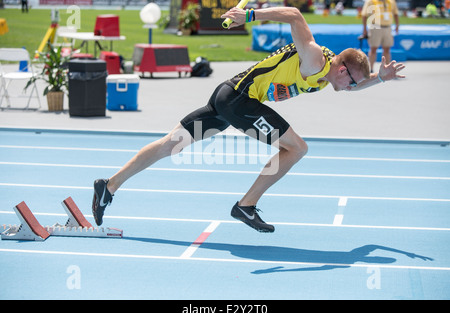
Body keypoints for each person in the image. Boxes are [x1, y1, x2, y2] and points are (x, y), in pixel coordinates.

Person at [92, 6, 405, 233]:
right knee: (297, 149)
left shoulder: (328, 71)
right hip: (240, 101)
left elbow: (355, 81)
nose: (351, 88)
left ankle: (109, 185)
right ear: (341, 70)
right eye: (351, 82)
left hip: (225, 99)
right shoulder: (314, 60)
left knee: (170, 144)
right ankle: (245, 205)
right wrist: (250, 16)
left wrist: (381, 78)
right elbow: (295, 14)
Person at [361, 0, 400, 72]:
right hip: (375, 26)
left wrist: (397, 25)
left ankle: (387, 69)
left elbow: (396, 13)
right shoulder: (371, 1)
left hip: (387, 27)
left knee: (387, 49)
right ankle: (371, 69)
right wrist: (364, 29)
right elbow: (364, 15)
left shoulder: (391, 2)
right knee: (373, 49)